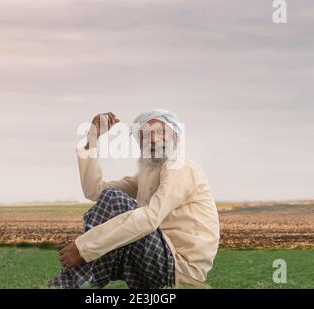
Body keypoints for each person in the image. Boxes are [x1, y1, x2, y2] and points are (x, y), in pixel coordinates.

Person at [49, 109, 220, 288]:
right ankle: (70, 283)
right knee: (111, 215)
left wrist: (83, 247)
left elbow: (150, 218)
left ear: (176, 137)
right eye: (145, 135)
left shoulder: (181, 168)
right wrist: (93, 137)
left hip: (179, 268)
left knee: (115, 202)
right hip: (157, 256)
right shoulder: (148, 175)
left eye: (161, 132)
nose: (153, 139)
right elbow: (95, 191)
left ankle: (63, 284)